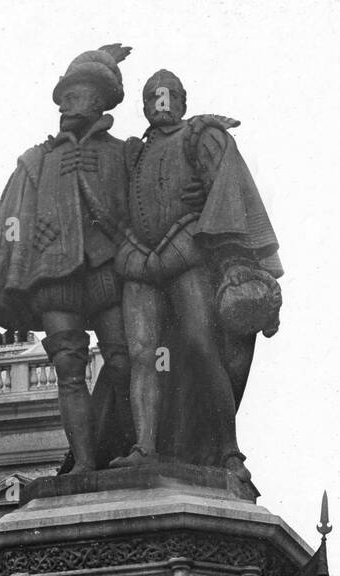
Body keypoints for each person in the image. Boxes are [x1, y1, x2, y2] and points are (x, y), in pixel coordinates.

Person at [0, 45, 136, 472]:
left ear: (99, 99)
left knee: (124, 360)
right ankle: (84, 464)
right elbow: (3, 227)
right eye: (61, 98)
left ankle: (125, 449)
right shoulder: (37, 162)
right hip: (54, 277)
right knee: (70, 371)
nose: (63, 104)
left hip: (109, 272)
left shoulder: (125, 153)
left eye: (74, 95)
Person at [111, 70, 283, 478]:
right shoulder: (134, 152)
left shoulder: (201, 137)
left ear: (183, 101)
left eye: (168, 97)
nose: (162, 104)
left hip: (186, 251)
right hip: (138, 259)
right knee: (142, 355)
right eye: (153, 98)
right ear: (144, 105)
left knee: (202, 345)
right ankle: (145, 446)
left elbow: (224, 191)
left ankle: (228, 450)